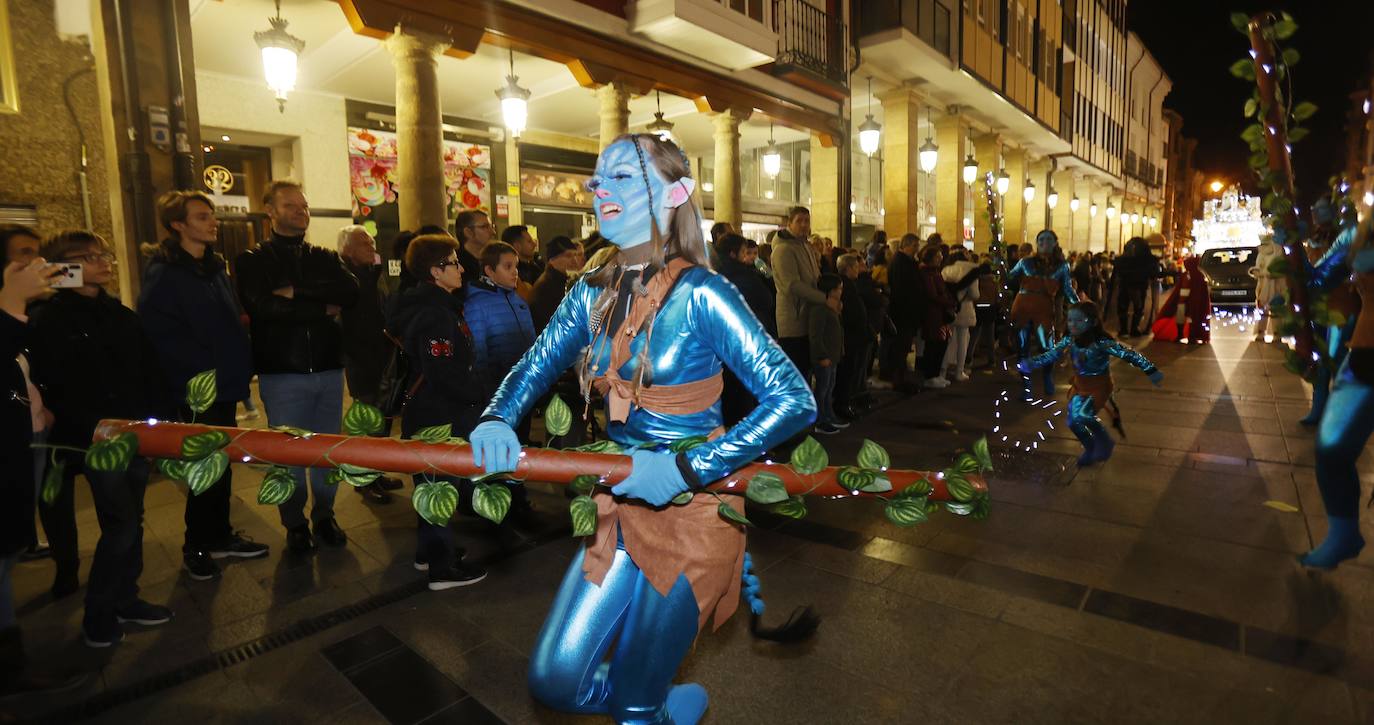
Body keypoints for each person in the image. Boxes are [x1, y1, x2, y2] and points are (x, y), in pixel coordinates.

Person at [469, 134, 814, 725]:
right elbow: (535, 364)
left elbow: (794, 399)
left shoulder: (704, 293)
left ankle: (645, 702)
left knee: (631, 700)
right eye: (600, 177)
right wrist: (498, 416)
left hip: (693, 514)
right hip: (620, 505)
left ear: (674, 193)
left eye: (624, 177)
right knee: (555, 680)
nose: (600, 187)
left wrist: (687, 468)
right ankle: (656, 700)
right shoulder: (591, 293)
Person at [28, 231, 174, 648]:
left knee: (131, 520)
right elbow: (53, 384)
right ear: (61, 268)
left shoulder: (119, 313)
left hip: (132, 435)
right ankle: (98, 614)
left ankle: (127, 598)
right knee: (121, 525)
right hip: (90, 438)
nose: (102, 261)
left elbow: (149, 370)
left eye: (103, 254)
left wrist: (160, 424)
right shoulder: (48, 319)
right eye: (86, 257)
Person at [139, 192, 268, 582]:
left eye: (211, 215)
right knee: (202, 469)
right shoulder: (164, 273)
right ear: (178, 225)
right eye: (201, 216)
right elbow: (160, 335)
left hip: (227, 382)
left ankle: (219, 534)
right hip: (197, 388)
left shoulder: (213, 267)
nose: (212, 222)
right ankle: (196, 544)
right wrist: (198, 373)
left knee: (222, 463)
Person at [235, 180, 359, 553]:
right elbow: (263, 308)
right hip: (281, 371)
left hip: (327, 367)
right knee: (287, 456)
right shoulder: (253, 260)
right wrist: (321, 307)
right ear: (270, 211)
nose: (300, 212)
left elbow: (350, 292)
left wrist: (299, 293)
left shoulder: (322, 254)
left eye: (303, 206)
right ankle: (294, 523)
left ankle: (324, 515)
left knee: (326, 452)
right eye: (290, 206)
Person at [1, 254, 86, 697]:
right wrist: (11, 307)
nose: (36, 264)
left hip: (25, 436)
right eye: (20, 257)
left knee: (7, 555)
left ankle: (11, 665)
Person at [385, 234, 489, 589]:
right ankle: (442, 569)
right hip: (437, 413)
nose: (461, 269)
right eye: (453, 263)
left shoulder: (435, 306)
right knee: (439, 485)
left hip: (432, 408)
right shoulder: (434, 314)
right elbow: (442, 371)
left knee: (431, 484)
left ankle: (428, 552)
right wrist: (479, 394)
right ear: (434, 271)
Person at [1298, 217, 1374, 570]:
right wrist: (1291, 245)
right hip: (1363, 359)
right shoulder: (1356, 235)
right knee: (1331, 449)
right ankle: (1344, 534)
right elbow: (1314, 282)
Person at [1019, 301, 1163, 466]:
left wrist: (1151, 370)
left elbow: (1129, 354)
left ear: (1093, 322)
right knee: (1073, 421)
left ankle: (1105, 443)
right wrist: (1032, 363)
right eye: (1070, 320)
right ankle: (1091, 448)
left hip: (1100, 387)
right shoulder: (1070, 339)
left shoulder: (1102, 342)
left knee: (1083, 415)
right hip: (1080, 386)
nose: (1072, 324)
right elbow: (1052, 354)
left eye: (1079, 320)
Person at [463, 241, 539, 525]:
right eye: (508, 267)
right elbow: (478, 353)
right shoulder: (477, 305)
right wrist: (487, 395)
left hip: (523, 390)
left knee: (519, 446)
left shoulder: (518, 300)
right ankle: (504, 506)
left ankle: (518, 499)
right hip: (497, 393)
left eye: (516, 267)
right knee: (501, 450)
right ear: (488, 270)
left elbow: (532, 346)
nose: (515, 273)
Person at [1, 225, 57, 566]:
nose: (36, 261)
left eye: (38, 252)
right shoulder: (12, 311)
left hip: (32, 428)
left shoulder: (36, 310)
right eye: (24, 253)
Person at [336, 224, 403, 504]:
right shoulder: (346, 278)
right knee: (366, 425)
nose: (372, 247)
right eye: (365, 243)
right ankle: (363, 481)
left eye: (372, 242)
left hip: (381, 358)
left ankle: (375, 475)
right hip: (362, 362)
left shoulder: (373, 275)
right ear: (347, 250)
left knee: (381, 424)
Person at [1008, 229, 1078, 399]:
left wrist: (1080, 306)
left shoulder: (1062, 266)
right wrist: (1000, 269)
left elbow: (1068, 290)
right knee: (1023, 350)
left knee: (1047, 348)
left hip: (1044, 309)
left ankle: (1047, 376)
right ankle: (1026, 386)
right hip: (1022, 307)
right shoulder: (1025, 262)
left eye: (1048, 239)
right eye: (1040, 239)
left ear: (1055, 243)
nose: (1044, 242)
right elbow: (1009, 279)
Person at [772, 207, 827, 381]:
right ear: (789, 223)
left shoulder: (804, 246)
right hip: (793, 318)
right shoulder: (783, 249)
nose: (804, 225)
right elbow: (792, 285)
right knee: (796, 371)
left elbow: (814, 276)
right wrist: (824, 298)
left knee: (806, 369)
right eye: (799, 221)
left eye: (807, 220)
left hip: (807, 315)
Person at [834, 253, 874, 418]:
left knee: (852, 370)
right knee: (847, 372)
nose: (859, 270)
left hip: (856, 334)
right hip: (851, 335)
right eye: (857, 266)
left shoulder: (851, 284)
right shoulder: (845, 286)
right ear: (849, 268)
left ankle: (848, 401)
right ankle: (842, 405)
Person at [883, 233, 923, 391]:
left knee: (903, 347)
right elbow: (903, 289)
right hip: (903, 312)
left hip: (907, 312)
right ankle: (898, 379)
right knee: (900, 346)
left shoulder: (906, 262)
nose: (917, 249)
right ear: (906, 245)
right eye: (915, 246)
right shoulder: (901, 263)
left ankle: (900, 377)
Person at [809, 274, 845, 434]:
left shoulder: (833, 307)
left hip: (833, 355)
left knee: (829, 388)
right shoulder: (819, 309)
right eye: (839, 289)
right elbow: (816, 335)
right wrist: (821, 355)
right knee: (822, 389)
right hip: (825, 357)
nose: (841, 292)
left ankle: (829, 416)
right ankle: (820, 420)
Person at [916, 245, 956, 388]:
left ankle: (935, 374)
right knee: (934, 345)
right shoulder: (927, 274)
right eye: (937, 256)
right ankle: (930, 375)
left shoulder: (935, 273)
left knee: (941, 344)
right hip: (933, 314)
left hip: (940, 314)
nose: (940, 259)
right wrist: (949, 301)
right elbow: (932, 295)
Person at [941, 248, 981, 382]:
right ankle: (959, 371)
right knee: (963, 341)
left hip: (949, 308)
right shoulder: (971, 271)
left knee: (947, 341)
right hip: (965, 308)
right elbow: (975, 295)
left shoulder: (946, 270)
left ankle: (943, 371)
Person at [529, 236, 585, 333]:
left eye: (575, 255)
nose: (574, 260)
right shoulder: (546, 287)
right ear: (552, 259)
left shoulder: (565, 281)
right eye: (568, 256)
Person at [1109, 237, 1161, 336]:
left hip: (1126, 287)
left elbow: (1116, 276)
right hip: (1139, 287)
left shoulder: (1122, 261)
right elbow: (1154, 274)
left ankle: (1125, 329)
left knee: (1125, 308)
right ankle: (1133, 329)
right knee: (1138, 308)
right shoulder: (1147, 261)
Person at [1156, 255, 1210, 344]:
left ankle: (1189, 336)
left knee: (1188, 319)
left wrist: (1183, 300)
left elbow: (1189, 289)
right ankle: (1184, 335)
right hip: (1188, 302)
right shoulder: (1195, 274)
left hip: (1189, 302)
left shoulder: (1194, 275)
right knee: (1185, 319)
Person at [454, 210, 495, 288]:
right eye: (485, 227)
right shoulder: (456, 263)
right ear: (468, 232)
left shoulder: (494, 259)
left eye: (492, 226)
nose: (493, 232)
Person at [502, 224, 543, 293]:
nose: (534, 244)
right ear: (517, 246)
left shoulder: (536, 266)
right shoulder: (512, 274)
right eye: (529, 241)